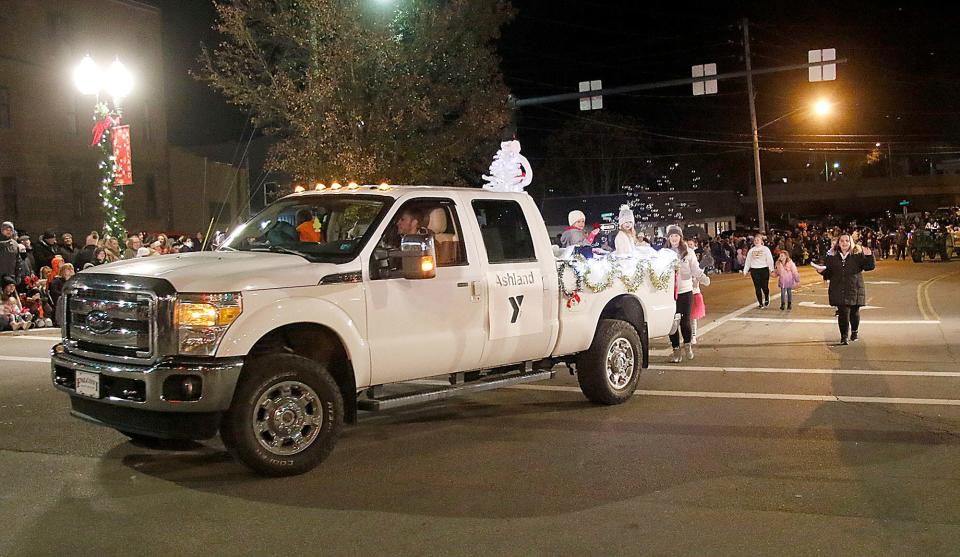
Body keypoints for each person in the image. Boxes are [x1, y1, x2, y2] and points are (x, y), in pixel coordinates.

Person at [816, 233, 875, 345]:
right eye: (842, 241)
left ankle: (854, 331)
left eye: (846, 241)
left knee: (854, 312)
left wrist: (869, 256)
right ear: (838, 243)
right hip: (839, 288)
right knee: (843, 312)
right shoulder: (832, 256)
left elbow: (869, 267)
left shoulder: (857, 255)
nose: (844, 243)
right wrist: (822, 272)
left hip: (854, 288)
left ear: (850, 242)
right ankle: (844, 336)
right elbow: (829, 273)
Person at [666, 225, 710, 363]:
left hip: (685, 291)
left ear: (680, 237)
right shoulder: (664, 252)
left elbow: (695, 269)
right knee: (672, 323)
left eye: (676, 236)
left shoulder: (688, 252)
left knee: (685, 322)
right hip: (669, 293)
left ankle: (687, 345)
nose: (674, 238)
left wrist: (703, 278)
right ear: (668, 238)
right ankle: (676, 350)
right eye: (672, 236)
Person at [742, 235, 775, 308]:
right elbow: (748, 261)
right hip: (754, 270)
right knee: (757, 287)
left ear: (761, 241)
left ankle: (766, 297)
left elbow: (769, 259)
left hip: (764, 269)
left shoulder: (765, 249)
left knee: (764, 287)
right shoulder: (751, 250)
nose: (756, 241)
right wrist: (745, 270)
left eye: (758, 240)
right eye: (755, 240)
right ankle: (760, 303)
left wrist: (771, 269)